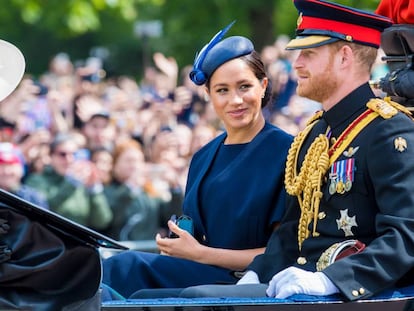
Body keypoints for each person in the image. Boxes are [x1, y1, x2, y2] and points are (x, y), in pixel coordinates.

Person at [176, 0, 414, 302]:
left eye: (309, 54)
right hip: (302, 286)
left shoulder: (390, 132)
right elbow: (292, 230)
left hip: (361, 293)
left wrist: (330, 280)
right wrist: (257, 274)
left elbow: (405, 236)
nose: (297, 63)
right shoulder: (315, 134)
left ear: (344, 57)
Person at [101, 21, 293, 299]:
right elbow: (194, 233)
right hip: (203, 270)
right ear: (209, 95)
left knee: (127, 272)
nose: (235, 100)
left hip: (249, 281)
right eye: (222, 90)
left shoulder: (286, 150)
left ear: (263, 86)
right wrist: (178, 244)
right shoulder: (204, 156)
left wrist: (201, 253)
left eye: (244, 87)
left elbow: (281, 253)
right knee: (111, 271)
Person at [24, 132, 113, 231]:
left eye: (74, 154)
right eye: (62, 154)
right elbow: (41, 211)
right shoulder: (36, 180)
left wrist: (94, 191)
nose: (69, 159)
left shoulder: (82, 183)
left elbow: (102, 222)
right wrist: (70, 185)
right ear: (51, 156)